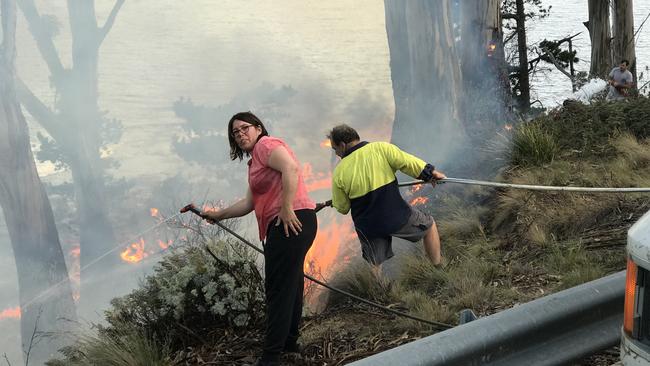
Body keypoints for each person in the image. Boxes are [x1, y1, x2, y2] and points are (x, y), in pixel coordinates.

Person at [202, 112, 317, 366]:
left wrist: (286, 208)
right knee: (291, 284)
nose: (240, 134)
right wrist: (218, 215)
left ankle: (270, 357)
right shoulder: (254, 162)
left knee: (277, 289)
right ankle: (288, 343)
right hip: (295, 221)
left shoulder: (266, 145)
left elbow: (291, 168)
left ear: (258, 128)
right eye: (235, 132)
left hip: (289, 220)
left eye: (245, 128)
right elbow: (249, 203)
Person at [324, 124, 445, 267]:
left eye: (335, 149)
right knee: (429, 226)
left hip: (368, 226)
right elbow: (408, 163)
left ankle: (378, 288)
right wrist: (430, 174)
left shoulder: (339, 172)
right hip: (395, 215)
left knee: (374, 261)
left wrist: (341, 200)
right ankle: (438, 267)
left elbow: (342, 207)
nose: (336, 153)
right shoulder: (381, 148)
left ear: (343, 145)